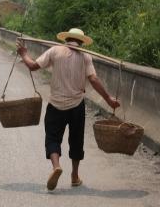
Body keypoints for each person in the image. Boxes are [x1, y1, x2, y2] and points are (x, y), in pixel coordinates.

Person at [16, 28, 120, 191]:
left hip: (56, 104)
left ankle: (56, 166)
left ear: (67, 39)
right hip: (76, 106)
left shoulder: (55, 51)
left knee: (52, 138)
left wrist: (23, 53)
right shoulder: (85, 57)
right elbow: (93, 79)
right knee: (76, 140)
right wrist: (109, 99)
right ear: (81, 41)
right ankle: (74, 176)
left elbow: (33, 66)